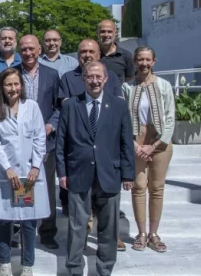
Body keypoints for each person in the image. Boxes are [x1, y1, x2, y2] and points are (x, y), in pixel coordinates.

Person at [56, 61, 135, 276]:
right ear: (84, 79)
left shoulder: (118, 105)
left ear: (106, 78)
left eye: (99, 76)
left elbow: (126, 141)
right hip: (78, 173)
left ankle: (104, 270)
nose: (94, 80)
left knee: (108, 229)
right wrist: (62, 172)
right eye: (90, 76)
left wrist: (128, 173)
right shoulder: (71, 106)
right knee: (77, 226)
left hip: (110, 174)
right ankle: (74, 269)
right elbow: (61, 142)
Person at [0, 68, 50, 276]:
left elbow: (40, 138)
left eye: (16, 84)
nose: (12, 89)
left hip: (29, 174)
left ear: (21, 86)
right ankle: (4, 263)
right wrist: (7, 168)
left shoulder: (31, 107)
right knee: (4, 221)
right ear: (1, 87)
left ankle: (27, 266)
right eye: (8, 85)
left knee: (28, 222)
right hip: (5, 175)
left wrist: (35, 166)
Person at [123, 47, 175, 253]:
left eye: (147, 60)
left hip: (159, 141)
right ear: (135, 62)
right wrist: (136, 145)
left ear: (154, 61)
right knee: (138, 187)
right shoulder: (127, 87)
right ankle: (141, 233)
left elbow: (170, 118)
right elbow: (123, 120)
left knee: (157, 188)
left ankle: (154, 233)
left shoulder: (164, 86)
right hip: (136, 140)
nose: (144, 63)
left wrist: (154, 146)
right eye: (140, 60)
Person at [14, 35, 61, 249]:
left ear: (39, 49)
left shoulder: (52, 75)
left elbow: (59, 107)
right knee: (23, 184)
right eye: (24, 49)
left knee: (46, 188)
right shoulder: (12, 73)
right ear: (19, 50)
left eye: (32, 49)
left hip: (46, 141)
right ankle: (24, 231)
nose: (28, 53)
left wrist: (50, 126)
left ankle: (48, 232)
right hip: (19, 141)